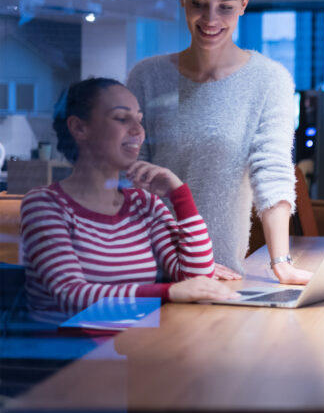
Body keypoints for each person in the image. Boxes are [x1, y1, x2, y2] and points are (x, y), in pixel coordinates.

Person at [126, 0, 309, 283]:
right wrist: (181, 260)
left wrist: (280, 260)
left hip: (223, 269)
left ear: (243, 4)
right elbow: (134, 180)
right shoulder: (147, 77)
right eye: (198, 4)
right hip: (148, 267)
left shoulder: (269, 80)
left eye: (225, 8)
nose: (210, 20)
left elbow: (271, 171)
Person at [19, 78, 239, 321]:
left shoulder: (144, 203)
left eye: (139, 120)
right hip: (73, 353)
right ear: (79, 128)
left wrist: (180, 195)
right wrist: (170, 292)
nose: (138, 131)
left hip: (132, 345)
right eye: (122, 119)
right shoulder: (44, 205)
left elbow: (196, 278)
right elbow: (72, 296)